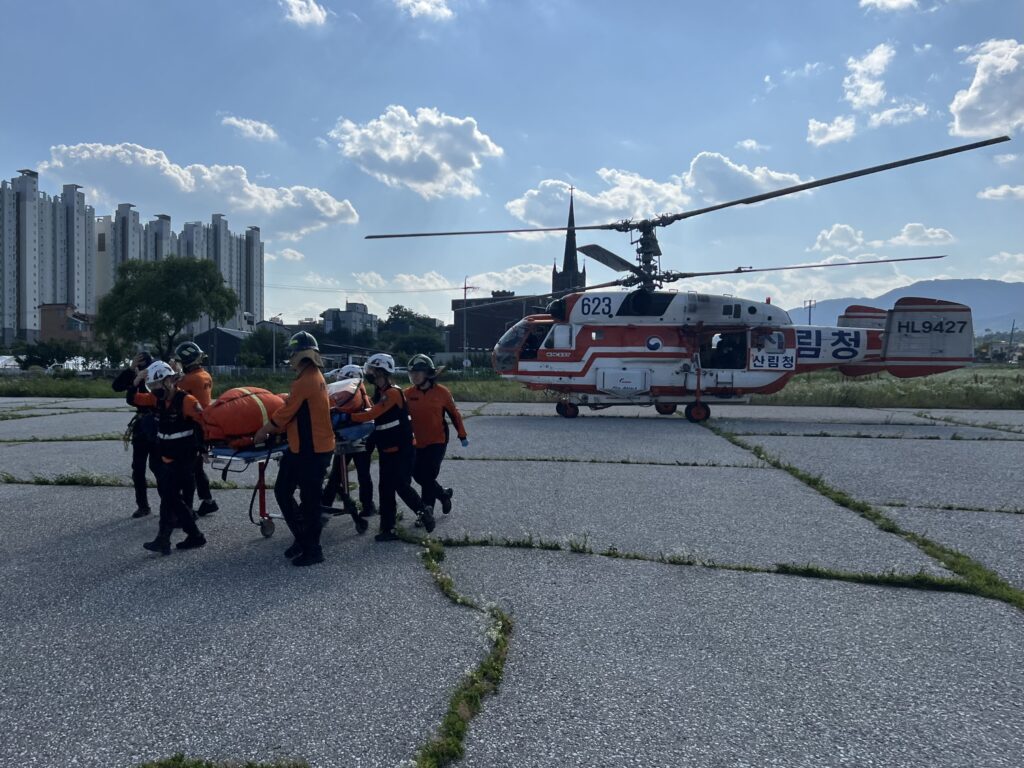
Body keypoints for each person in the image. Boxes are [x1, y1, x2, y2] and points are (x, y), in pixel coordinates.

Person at [253, 332, 335, 567]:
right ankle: (303, 538)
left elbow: (285, 414)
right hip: (303, 447)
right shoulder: (311, 376)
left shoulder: (306, 381)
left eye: (293, 354)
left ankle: (313, 549)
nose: (291, 358)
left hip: (312, 450)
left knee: (309, 501)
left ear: (300, 355)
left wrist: (264, 430)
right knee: (284, 491)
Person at [338, 353, 434, 541]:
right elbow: (375, 415)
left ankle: (424, 512)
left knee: (400, 485)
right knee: (385, 489)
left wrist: (347, 417)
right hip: (387, 450)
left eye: (373, 370)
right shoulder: (381, 393)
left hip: (402, 449)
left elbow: (373, 413)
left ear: (382, 371)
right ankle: (387, 529)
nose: (370, 374)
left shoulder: (392, 393)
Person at [126, 361, 208, 555]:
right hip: (167, 457)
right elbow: (133, 399)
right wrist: (137, 379)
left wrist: (203, 449)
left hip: (186, 458)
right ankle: (192, 536)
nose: (155, 390)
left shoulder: (187, 401)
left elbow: (203, 424)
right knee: (170, 498)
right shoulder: (157, 400)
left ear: (170, 380)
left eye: (158, 385)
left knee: (169, 496)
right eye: (152, 386)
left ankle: (167, 539)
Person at [404, 354, 468, 525]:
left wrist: (462, 434)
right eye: (412, 373)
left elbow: (454, 415)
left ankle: (427, 511)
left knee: (428, 475)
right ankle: (443, 494)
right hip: (416, 443)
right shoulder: (407, 394)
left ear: (428, 373)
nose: (415, 376)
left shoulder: (442, 392)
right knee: (419, 476)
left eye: (418, 372)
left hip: (437, 441)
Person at [321, 364, 377, 517]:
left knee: (340, 474)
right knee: (360, 474)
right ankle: (367, 506)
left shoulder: (353, 394)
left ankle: (326, 505)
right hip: (353, 438)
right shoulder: (359, 393)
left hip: (353, 438)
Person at [112, 351, 160, 518]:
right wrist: (132, 371)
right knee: (138, 469)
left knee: (158, 468)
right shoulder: (135, 375)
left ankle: (169, 504)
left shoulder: (158, 374)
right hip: (141, 427)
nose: (144, 369)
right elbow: (117, 387)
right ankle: (143, 506)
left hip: (157, 426)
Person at [174, 340, 218, 517]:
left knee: (188, 469)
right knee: (197, 468)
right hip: (203, 424)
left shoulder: (189, 380)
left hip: (192, 426)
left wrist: (173, 374)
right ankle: (207, 501)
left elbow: (171, 392)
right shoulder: (205, 375)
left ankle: (187, 509)